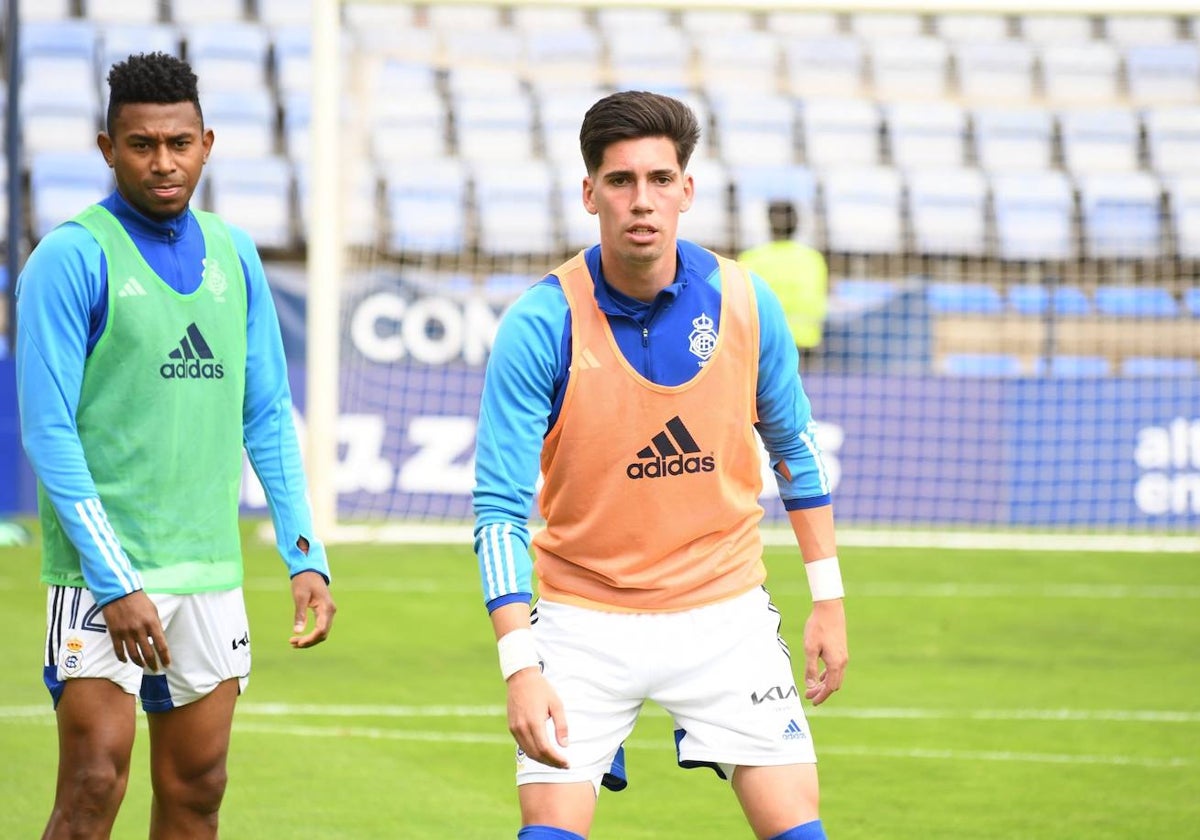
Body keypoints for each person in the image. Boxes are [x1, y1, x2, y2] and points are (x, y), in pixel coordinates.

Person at [472, 90, 848, 840]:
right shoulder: (540, 323)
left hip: (724, 614)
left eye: (658, 179)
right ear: (589, 193)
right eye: (620, 181)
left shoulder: (746, 300)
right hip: (583, 619)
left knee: (798, 830)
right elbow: (498, 512)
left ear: (686, 190)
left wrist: (828, 600)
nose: (640, 201)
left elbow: (794, 451)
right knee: (547, 830)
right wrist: (521, 665)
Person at [15, 52, 336, 840]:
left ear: (207, 142)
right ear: (106, 148)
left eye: (179, 143)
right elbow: (47, 431)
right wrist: (116, 580)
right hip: (100, 577)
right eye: (142, 144)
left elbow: (265, 412)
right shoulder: (70, 256)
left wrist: (304, 552)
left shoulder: (234, 253)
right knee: (93, 784)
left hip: (208, 571)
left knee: (198, 790)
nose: (164, 161)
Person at [737, 200, 829, 369]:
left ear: (768, 222)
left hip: (764, 344)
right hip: (805, 342)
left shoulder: (750, 258)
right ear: (797, 224)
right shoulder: (813, 259)